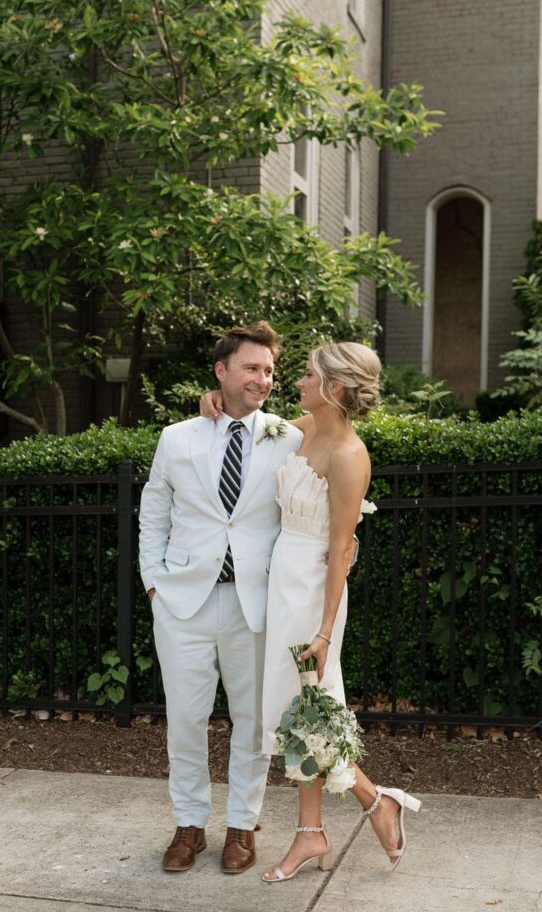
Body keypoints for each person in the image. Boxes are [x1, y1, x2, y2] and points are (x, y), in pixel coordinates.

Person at [201, 341, 421, 882]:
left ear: (335, 388)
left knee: (311, 712)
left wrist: (324, 632)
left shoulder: (349, 455)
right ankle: (325, 825)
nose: (295, 381)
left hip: (312, 594)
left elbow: (342, 548)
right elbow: (257, 423)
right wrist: (212, 400)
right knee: (298, 715)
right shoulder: (307, 427)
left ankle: (367, 805)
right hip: (284, 579)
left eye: (307, 375)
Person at [138, 322, 303, 874]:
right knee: (185, 717)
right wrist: (153, 582)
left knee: (252, 721)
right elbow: (154, 509)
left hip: (253, 604)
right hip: (182, 602)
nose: (264, 379)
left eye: (270, 370)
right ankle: (189, 825)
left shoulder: (289, 436)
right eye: (253, 368)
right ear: (222, 371)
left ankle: (241, 825)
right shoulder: (177, 436)